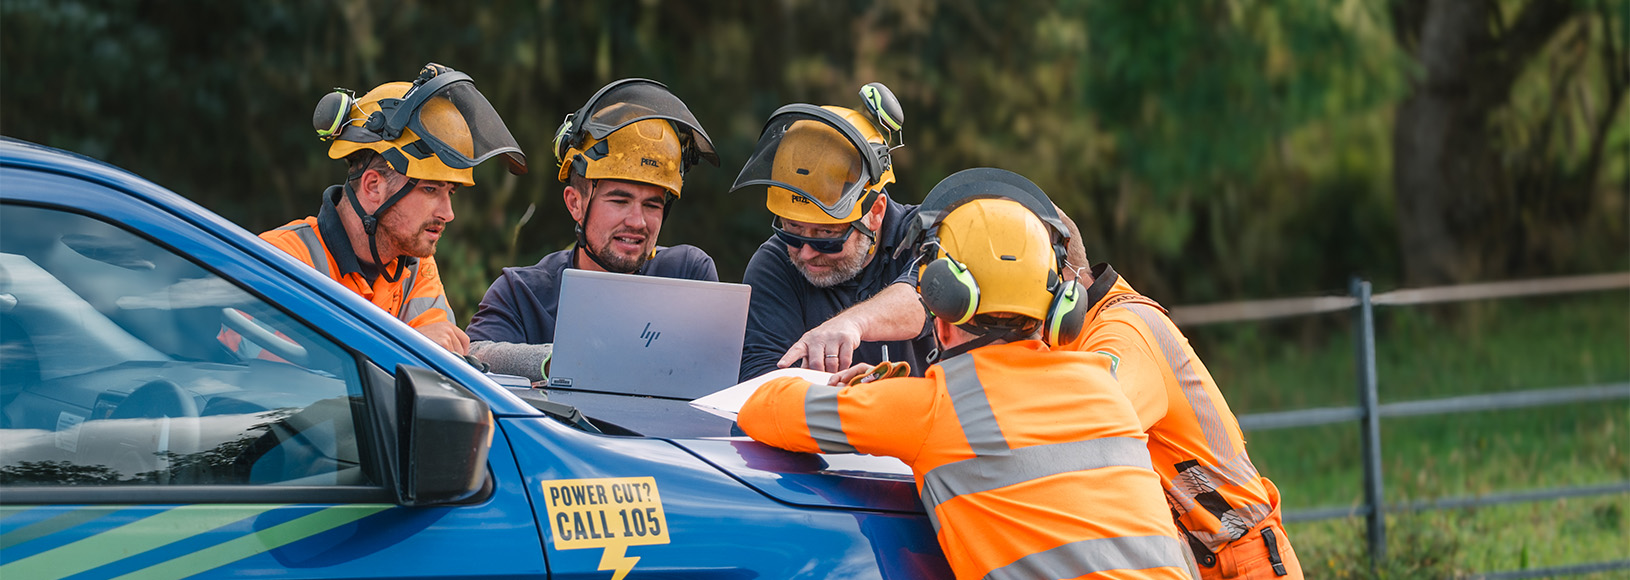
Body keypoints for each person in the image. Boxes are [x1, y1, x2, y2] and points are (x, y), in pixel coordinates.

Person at [739, 168, 1198, 580]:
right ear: (1057, 309)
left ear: (938, 309)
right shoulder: (1104, 384)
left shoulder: (932, 411)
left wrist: (863, 394)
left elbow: (764, 408)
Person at [1053, 215, 1303, 578]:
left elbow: (1087, 437)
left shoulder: (1121, 333)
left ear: (1059, 278)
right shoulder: (1089, 333)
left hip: (1240, 563)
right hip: (1210, 559)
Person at [262, 63, 527, 356]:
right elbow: (259, 371)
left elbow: (435, 376)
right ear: (374, 187)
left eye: (450, 192)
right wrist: (403, 345)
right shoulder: (282, 257)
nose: (448, 213)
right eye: (430, 189)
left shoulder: (415, 266)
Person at [465, 79, 720, 381]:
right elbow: (473, 356)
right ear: (575, 204)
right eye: (620, 200)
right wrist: (561, 360)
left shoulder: (685, 276)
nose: (637, 221)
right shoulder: (522, 294)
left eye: (652, 205)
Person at [732, 83, 936, 381]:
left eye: (827, 236)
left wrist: (853, 322)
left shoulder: (923, 232)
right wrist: (840, 393)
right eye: (792, 230)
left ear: (875, 213)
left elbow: (929, 295)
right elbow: (762, 383)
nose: (805, 252)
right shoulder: (774, 265)